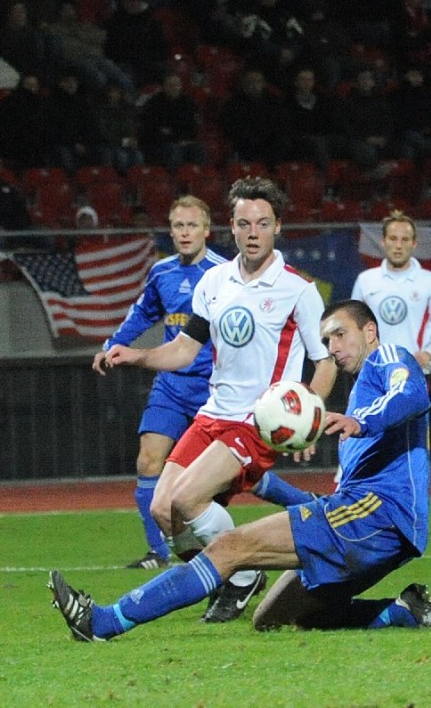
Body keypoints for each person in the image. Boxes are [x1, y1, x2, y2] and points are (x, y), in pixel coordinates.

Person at [48, 298, 431, 641]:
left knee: (230, 548)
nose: (333, 347)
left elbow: (412, 394)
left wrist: (360, 421)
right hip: (372, 522)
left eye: (340, 334)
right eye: (326, 340)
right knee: (275, 618)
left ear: (370, 331)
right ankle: (403, 611)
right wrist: (259, 481)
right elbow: (339, 497)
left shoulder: (389, 358)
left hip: (379, 516)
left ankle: (104, 621)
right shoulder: (363, 392)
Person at [88, 176, 336, 622]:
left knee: (187, 500)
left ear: (278, 226)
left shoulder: (298, 290)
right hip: (212, 413)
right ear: (232, 227)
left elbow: (325, 362)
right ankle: (231, 575)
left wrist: (310, 417)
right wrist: (137, 355)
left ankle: (242, 574)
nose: (253, 232)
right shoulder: (214, 282)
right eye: (244, 223)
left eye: (263, 223)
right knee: (163, 510)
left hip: (257, 422)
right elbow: (185, 350)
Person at [92, 196, 226, 569]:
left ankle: (298, 503)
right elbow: (141, 314)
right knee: (149, 460)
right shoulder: (162, 273)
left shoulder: (223, 274)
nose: (185, 233)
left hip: (213, 388)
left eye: (192, 225)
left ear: (206, 230)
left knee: (229, 476)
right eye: (178, 226)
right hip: (171, 383)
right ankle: (158, 553)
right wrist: (111, 345)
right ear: (170, 231)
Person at [351, 211, 431, 375]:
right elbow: (353, 325)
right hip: (374, 374)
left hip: (414, 373)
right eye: (393, 239)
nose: (398, 245)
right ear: (383, 242)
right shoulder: (365, 281)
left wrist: (429, 352)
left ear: (414, 244)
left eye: (405, 239)